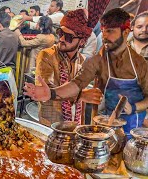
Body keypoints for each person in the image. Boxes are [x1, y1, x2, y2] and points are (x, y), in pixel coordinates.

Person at [24, 8, 148, 138]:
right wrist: (55, 93)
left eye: (110, 31)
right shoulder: (51, 56)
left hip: (132, 130)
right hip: (62, 124)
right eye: (103, 31)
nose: (104, 36)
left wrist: (133, 108)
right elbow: (71, 86)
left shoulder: (138, 63)